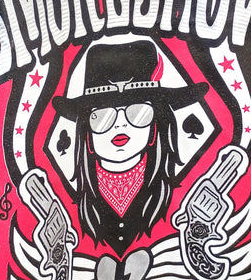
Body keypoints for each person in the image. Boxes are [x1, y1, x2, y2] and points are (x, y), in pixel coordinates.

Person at [53, 40, 206, 257]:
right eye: (102, 116)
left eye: (138, 113)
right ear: (86, 131)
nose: (120, 124)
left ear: (157, 125)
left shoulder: (176, 193)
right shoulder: (77, 199)